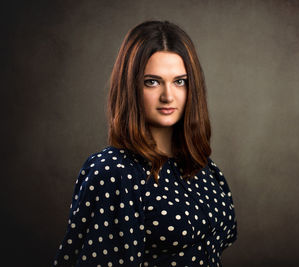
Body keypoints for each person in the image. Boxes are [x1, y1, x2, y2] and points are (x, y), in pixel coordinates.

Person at [53, 20, 237, 267]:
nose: (168, 96)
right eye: (152, 81)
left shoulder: (202, 168)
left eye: (179, 81)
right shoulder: (113, 172)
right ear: (131, 87)